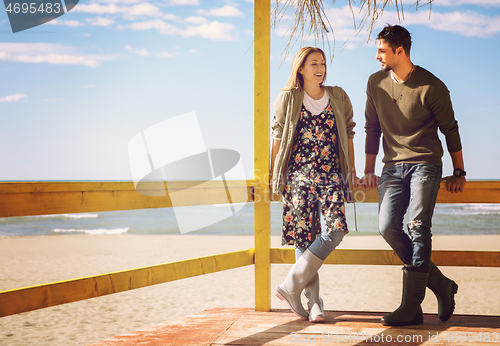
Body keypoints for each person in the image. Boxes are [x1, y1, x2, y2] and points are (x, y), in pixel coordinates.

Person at [361, 24, 466, 326]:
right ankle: (441, 284)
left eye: (381, 50)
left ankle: (411, 307)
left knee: (418, 225)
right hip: (391, 167)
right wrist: (369, 170)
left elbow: (451, 130)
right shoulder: (375, 83)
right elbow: (372, 128)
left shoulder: (431, 86)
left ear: (399, 51)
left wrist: (459, 171)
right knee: (387, 226)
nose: (376, 56)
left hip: (425, 164)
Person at [270, 46, 357, 322]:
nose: (320, 68)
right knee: (303, 238)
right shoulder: (288, 98)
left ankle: (290, 285)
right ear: (301, 69)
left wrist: (351, 172)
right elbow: (278, 138)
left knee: (336, 230)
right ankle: (314, 303)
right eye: (313, 64)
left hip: (331, 174)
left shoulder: (339, 96)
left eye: (322, 63)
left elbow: (349, 133)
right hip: (298, 175)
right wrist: (274, 176)